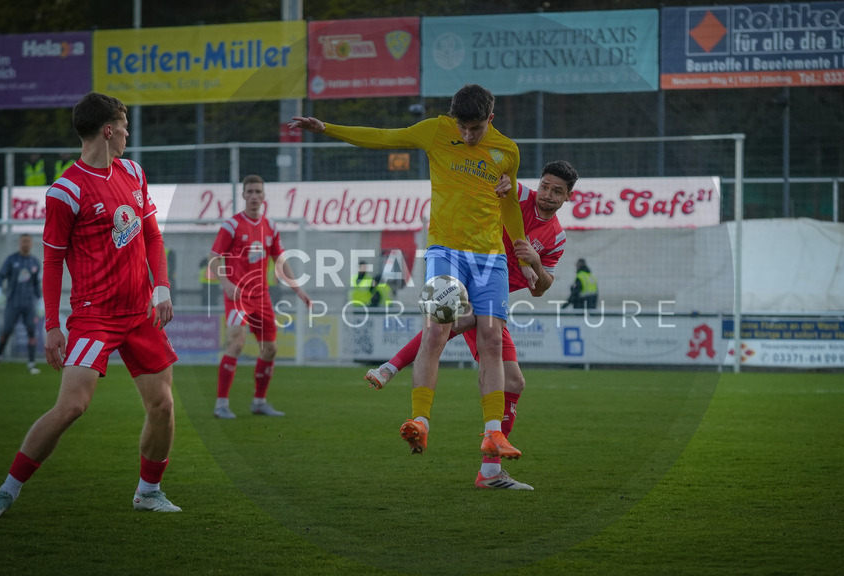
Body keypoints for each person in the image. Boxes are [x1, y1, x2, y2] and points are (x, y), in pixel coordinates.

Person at [291, 84, 537, 463]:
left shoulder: (508, 150)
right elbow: (384, 137)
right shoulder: (436, 130)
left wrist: (521, 252)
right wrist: (327, 128)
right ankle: (420, 420)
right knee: (437, 330)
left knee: (490, 340)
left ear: (490, 118)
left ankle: (493, 434)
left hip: (491, 258)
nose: (467, 136)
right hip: (445, 252)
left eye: (475, 129)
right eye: (462, 128)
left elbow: (509, 207)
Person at [0, 92, 180, 518]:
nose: (127, 133)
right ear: (108, 129)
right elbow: (51, 262)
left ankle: (148, 491)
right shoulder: (65, 191)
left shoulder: (133, 173)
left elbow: (152, 237)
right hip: (95, 317)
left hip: (140, 313)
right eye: (124, 126)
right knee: (72, 406)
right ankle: (6, 492)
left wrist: (161, 286)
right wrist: (52, 324)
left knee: (163, 404)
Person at [365, 160, 579, 490]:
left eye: (558, 191)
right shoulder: (518, 195)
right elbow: (486, 187)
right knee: (454, 321)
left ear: (568, 198)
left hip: (495, 300)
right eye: (546, 186)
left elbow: (540, 288)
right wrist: (499, 182)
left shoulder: (558, 237)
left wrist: (535, 262)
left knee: (515, 382)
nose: (548, 195)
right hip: (470, 276)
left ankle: (489, 469)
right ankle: (392, 371)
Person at [209, 174, 312, 419]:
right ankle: (221, 404)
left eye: (258, 192)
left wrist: (298, 289)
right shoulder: (231, 226)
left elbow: (280, 261)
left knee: (270, 349)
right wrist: (225, 283)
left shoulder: (271, 227)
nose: (254, 196)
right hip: (237, 295)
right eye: (250, 192)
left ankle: (259, 402)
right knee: (236, 341)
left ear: (264, 197)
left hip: (262, 297)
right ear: (243, 195)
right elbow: (214, 258)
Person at [0, 234, 44, 375]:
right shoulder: (12, 260)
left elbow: (37, 284)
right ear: (20, 243)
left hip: (29, 303)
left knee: (32, 331)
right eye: (23, 241)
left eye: (28, 241)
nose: (26, 243)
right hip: (13, 302)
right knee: (6, 331)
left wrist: (41, 300)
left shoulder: (35, 262)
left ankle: (31, 364)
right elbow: (1, 276)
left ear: (31, 244)